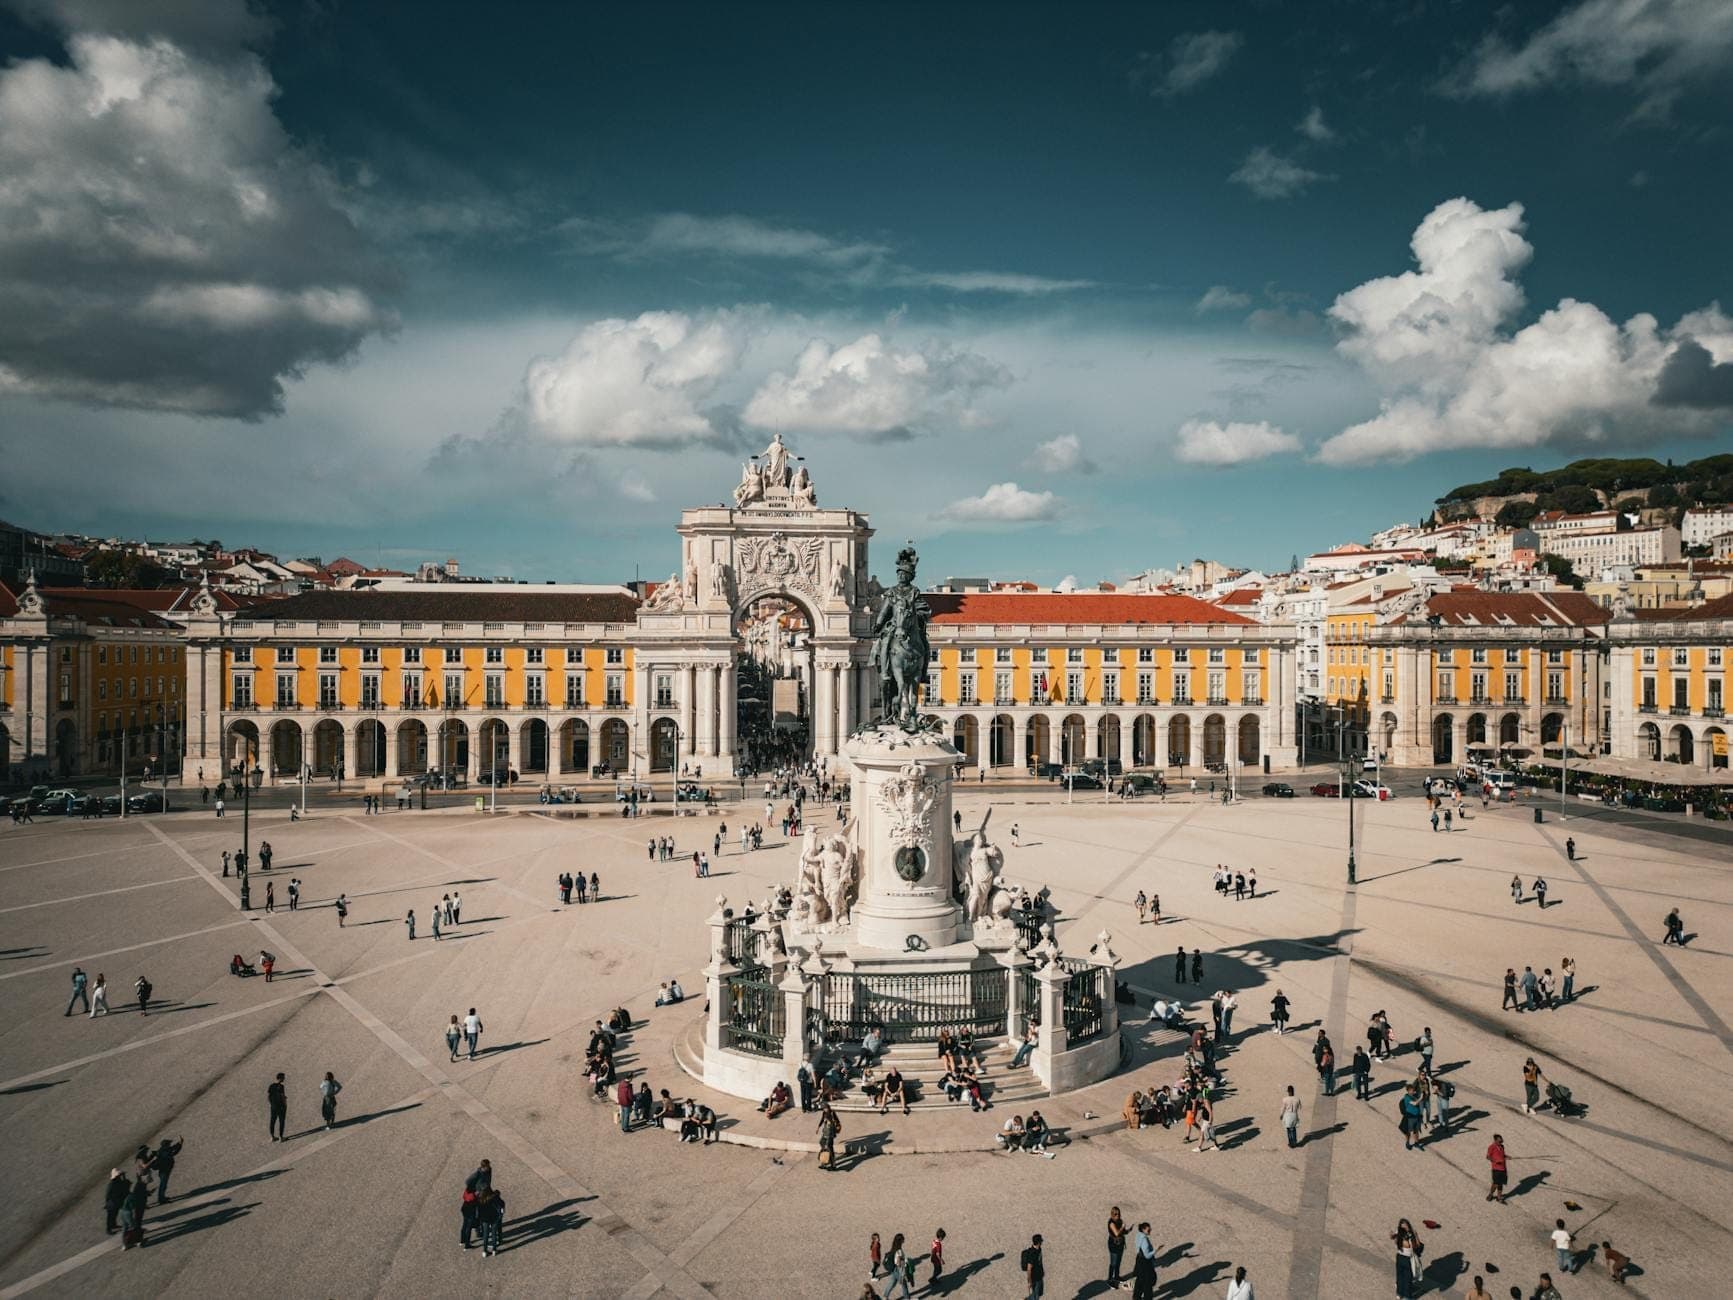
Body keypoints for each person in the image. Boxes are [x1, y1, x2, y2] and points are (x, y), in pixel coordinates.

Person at [1392, 1218, 1423, 1298]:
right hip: (1407, 1259)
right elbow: (1416, 1246)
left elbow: (1393, 1238)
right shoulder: (1409, 1236)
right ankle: (1407, 1296)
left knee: (1400, 1275)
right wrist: (1415, 1235)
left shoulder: (1398, 1234)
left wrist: (1394, 1235)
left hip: (1399, 1257)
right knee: (1408, 1278)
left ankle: (1399, 1293)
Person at [120, 1171, 150, 1248]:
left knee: (125, 1227)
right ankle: (139, 1242)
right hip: (128, 1213)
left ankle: (124, 1244)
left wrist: (124, 1176)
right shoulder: (131, 1196)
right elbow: (134, 1209)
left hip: (122, 1211)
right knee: (135, 1227)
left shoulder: (123, 1192)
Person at [150, 1136, 183, 1204]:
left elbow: (173, 1148)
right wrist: (179, 1145)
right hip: (164, 1171)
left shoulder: (163, 1150)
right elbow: (174, 1152)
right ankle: (161, 1199)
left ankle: (162, 1197)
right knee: (163, 1185)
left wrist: (179, 1143)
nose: (170, 1144)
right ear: (166, 1144)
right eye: (169, 1143)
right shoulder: (165, 1152)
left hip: (163, 1171)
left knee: (163, 1185)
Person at [882, 1232, 913, 1300]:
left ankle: (885, 1296)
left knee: (892, 1283)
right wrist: (904, 1268)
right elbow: (899, 1262)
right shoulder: (899, 1251)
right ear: (900, 1241)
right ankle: (907, 1298)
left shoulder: (893, 1248)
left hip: (893, 1269)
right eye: (903, 1239)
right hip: (898, 1270)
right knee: (904, 1284)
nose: (904, 1240)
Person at [1131, 1221, 1158, 1300]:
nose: (1150, 1231)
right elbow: (1147, 1255)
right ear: (1143, 1229)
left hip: (1139, 1261)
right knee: (1147, 1283)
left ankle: (1136, 1297)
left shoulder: (1138, 1235)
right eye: (1148, 1230)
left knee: (1139, 1281)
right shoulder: (1145, 1240)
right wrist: (1156, 1250)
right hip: (1145, 1264)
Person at [476, 1186, 505, 1257]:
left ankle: (484, 1251)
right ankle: (494, 1250)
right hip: (494, 1218)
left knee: (485, 1235)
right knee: (494, 1234)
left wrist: (479, 1218)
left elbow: (478, 1210)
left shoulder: (480, 1199)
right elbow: (502, 1203)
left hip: (485, 1219)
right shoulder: (494, 1197)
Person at [104, 1168, 131, 1235]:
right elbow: (108, 1195)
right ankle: (108, 1229)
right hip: (112, 1203)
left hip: (115, 1202)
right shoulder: (112, 1184)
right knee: (110, 1217)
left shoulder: (117, 1182)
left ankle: (113, 1225)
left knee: (114, 1215)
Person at [1106, 1206, 1127, 1289]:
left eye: (1118, 1213)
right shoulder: (1111, 1223)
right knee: (1113, 1263)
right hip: (1113, 1245)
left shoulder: (1120, 1221)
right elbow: (1117, 1233)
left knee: (1118, 1261)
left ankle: (1117, 1276)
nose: (1117, 1215)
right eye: (1115, 1214)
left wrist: (1128, 1230)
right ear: (1112, 1214)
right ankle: (1110, 1280)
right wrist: (1122, 1227)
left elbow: (1123, 1232)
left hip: (1120, 1244)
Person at [1020, 1234, 1045, 1300]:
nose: (1042, 1242)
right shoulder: (1032, 1254)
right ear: (1039, 1242)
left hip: (1040, 1275)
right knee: (1036, 1297)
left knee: (1040, 1293)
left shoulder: (1039, 1248)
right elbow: (1029, 1269)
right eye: (1041, 1241)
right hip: (1035, 1278)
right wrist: (1029, 1281)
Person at [268, 1072, 288, 1141]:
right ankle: (281, 1137)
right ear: (280, 1078)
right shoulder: (281, 1086)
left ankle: (272, 1136)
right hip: (280, 1107)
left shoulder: (271, 1086)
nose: (284, 1079)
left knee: (272, 1121)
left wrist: (271, 1104)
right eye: (283, 1077)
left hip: (273, 1106)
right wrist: (285, 1105)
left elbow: (269, 1096)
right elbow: (282, 1096)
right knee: (281, 1121)